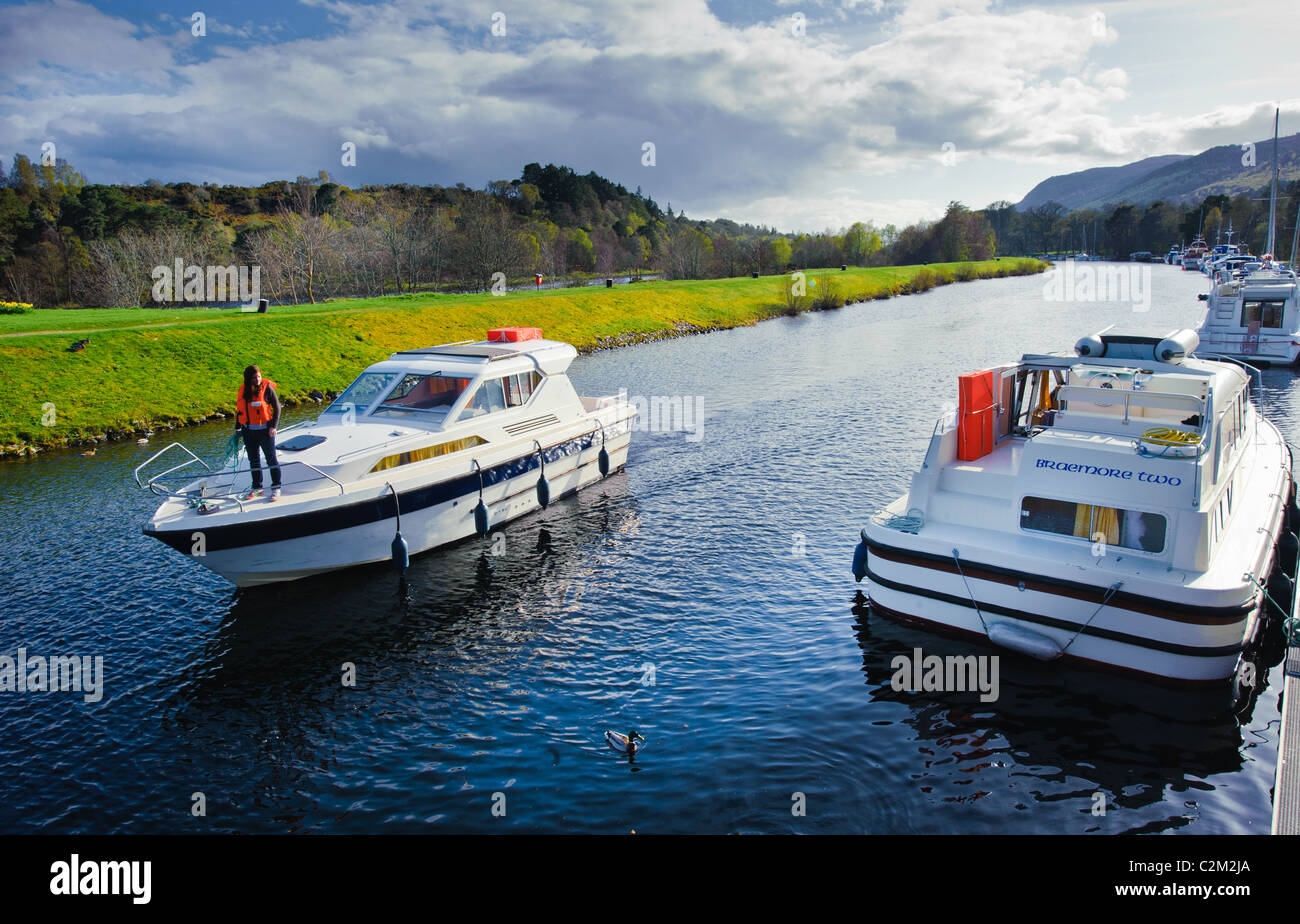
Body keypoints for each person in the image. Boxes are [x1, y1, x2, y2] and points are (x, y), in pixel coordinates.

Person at [235, 364, 282, 501]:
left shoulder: (267, 389)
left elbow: (277, 408)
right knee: (253, 460)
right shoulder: (243, 390)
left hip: (265, 431)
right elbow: (240, 410)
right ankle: (257, 487)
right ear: (248, 379)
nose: (257, 380)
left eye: (259, 377)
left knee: (271, 459)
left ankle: (276, 487)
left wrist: (273, 426)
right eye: (254, 378)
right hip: (248, 431)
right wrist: (237, 428)